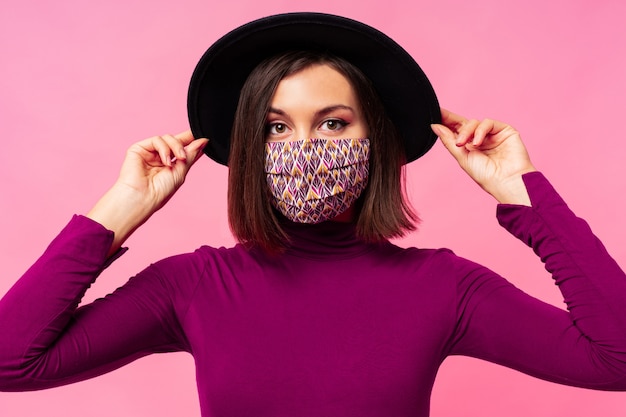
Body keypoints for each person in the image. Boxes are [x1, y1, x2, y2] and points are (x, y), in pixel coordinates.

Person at [1, 11, 626, 417]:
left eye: (332, 122)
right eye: (276, 128)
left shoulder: (443, 287)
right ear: (249, 149)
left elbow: (617, 359)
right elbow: (10, 363)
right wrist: (121, 208)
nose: (304, 146)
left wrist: (524, 193)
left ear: (374, 140)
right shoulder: (191, 286)